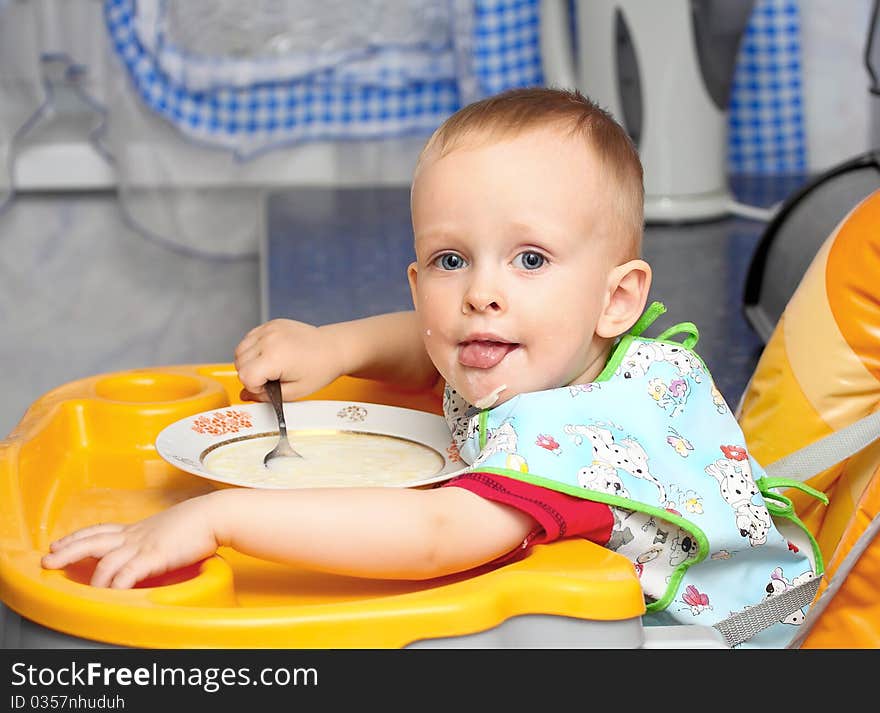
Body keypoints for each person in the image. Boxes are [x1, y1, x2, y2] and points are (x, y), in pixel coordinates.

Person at [42, 87, 822, 648]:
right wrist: (335, 347)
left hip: (730, 632)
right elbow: (435, 343)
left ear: (616, 298)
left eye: (530, 258)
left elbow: (434, 534)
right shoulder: (560, 348)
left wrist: (215, 517)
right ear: (418, 284)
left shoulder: (576, 435)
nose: (481, 293)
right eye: (451, 259)